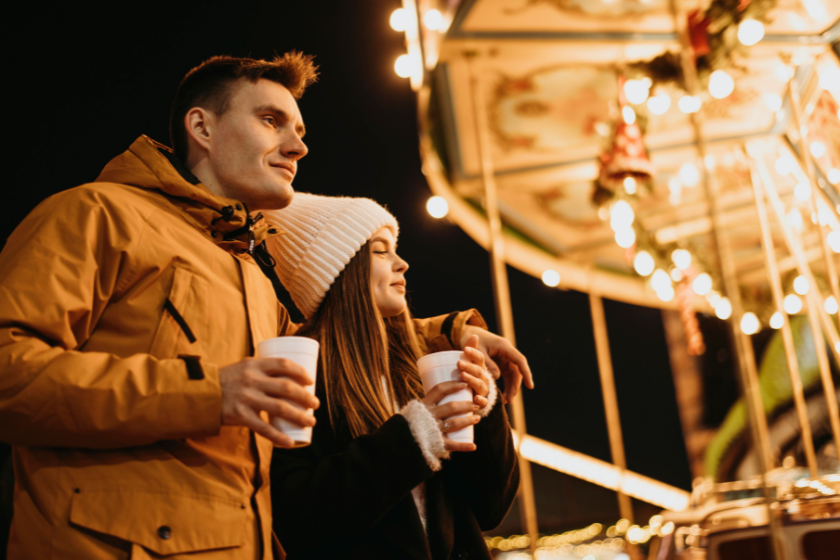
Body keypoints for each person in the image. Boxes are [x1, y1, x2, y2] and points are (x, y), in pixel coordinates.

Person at [0, 54, 528, 559]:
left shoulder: (251, 276)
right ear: (201, 129)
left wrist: (451, 333)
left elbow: (336, 331)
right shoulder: (95, 213)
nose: (296, 147)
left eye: (299, 131)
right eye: (271, 120)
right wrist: (210, 393)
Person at [264, 193, 520, 560]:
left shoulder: (417, 366)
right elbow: (299, 518)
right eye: (381, 250)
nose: (402, 264)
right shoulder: (301, 369)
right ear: (339, 270)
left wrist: (484, 409)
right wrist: (413, 437)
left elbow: (491, 508)